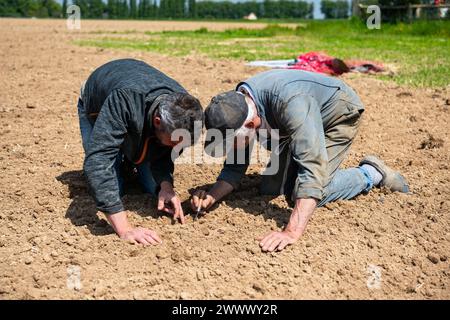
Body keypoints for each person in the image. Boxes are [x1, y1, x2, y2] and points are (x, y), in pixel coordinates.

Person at [191, 69, 409, 252]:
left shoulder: (290, 104)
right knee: (270, 188)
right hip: (292, 123)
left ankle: (370, 173)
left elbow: (312, 168)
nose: (229, 150)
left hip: (337, 114)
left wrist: (291, 232)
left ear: (251, 125)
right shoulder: (234, 106)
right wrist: (212, 196)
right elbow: (234, 168)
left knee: (305, 192)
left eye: (230, 144)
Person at [77, 58, 203, 245]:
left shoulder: (184, 111)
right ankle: (125, 157)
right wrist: (125, 230)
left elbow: (165, 152)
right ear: (158, 121)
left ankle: (131, 159)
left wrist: (166, 186)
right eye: (174, 142)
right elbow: (99, 159)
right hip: (97, 102)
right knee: (112, 189)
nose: (177, 148)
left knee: (151, 187)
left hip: (140, 107)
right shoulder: (125, 99)